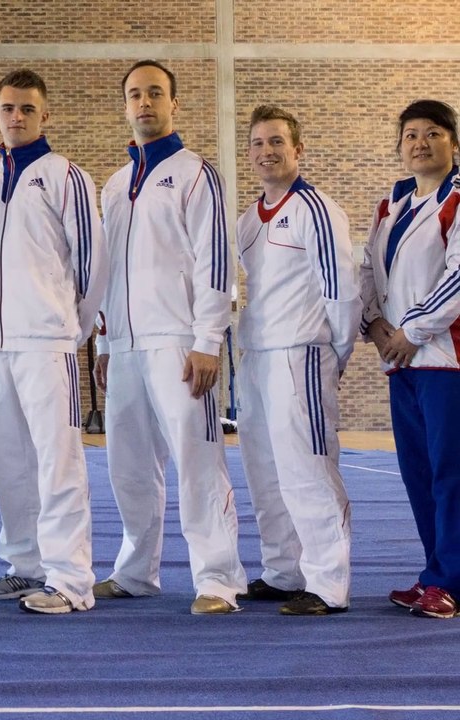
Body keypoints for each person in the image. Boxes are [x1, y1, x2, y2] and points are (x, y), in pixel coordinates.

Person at [93, 60, 247, 614]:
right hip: (128, 346)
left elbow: (216, 261)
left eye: (155, 93)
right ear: (125, 105)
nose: (144, 103)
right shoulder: (113, 185)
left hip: (180, 340)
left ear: (173, 104)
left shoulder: (195, 173)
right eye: (135, 94)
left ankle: (220, 579)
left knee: (196, 459)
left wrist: (209, 339)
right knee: (128, 464)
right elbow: (105, 272)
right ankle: (136, 571)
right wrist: (106, 344)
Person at [0, 69, 105, 614]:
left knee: (58, 462)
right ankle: (25, 566)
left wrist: (74, 327)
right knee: (9, 462)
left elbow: (93, 264)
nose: (16, 117)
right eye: (7, 108)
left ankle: (72, 579)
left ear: (44, 114)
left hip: (49, 339)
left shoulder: (66, 176)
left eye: (27, 108)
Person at [234, 105, 357, 616]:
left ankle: (328, 583)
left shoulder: (316, 209)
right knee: (265, 469)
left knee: (307, 468)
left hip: (300, 353)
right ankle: (284, 570)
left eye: (278, 142)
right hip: (257, 357)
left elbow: (342, 289)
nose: (268, 152)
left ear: (298, 150)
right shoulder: (246, 220)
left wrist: (335, 351)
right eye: (259, 143)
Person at [361, 99, 460, 620]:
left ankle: (451, 582)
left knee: (451, 474)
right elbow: (367, 272)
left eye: (433, 133)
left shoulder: (458, 199)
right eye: (410, 135)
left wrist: (411, 331)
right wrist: (375, 326)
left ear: (453, 143)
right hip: (401, 362)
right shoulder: (392, 204)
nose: (420, 142)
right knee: (418, 473)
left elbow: (459, 278)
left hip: (445, 360)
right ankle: (434, 575)